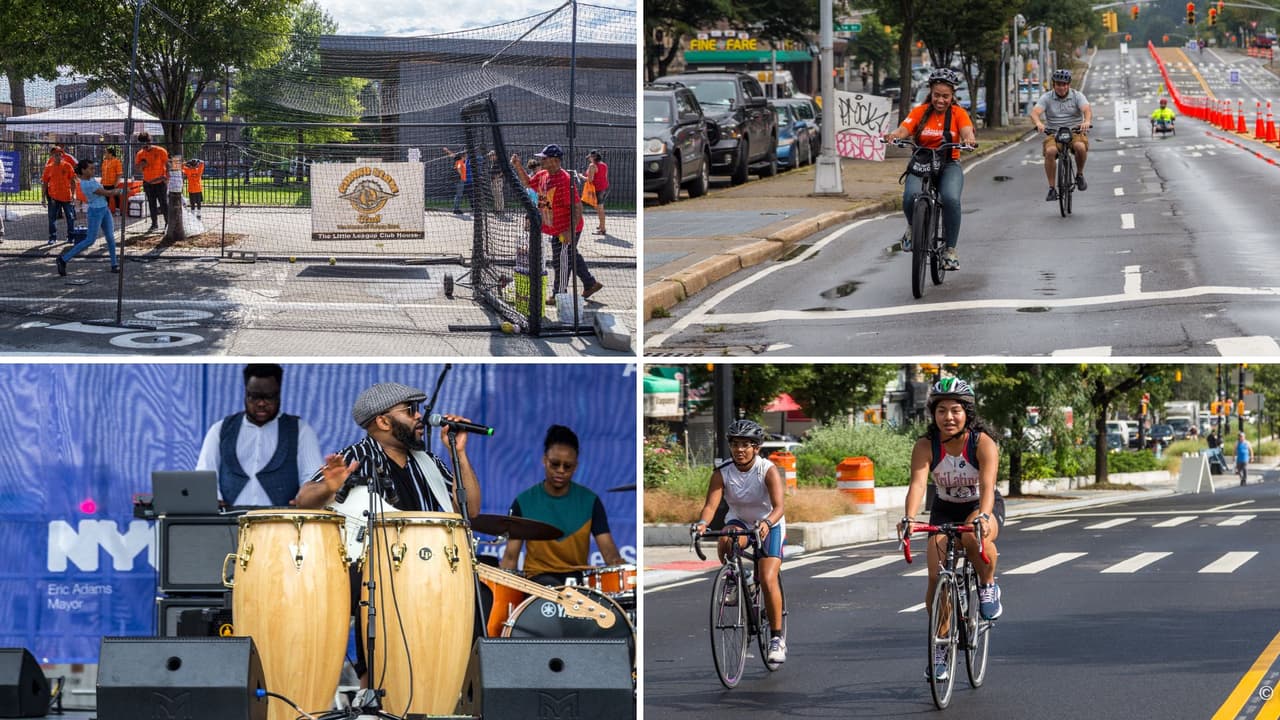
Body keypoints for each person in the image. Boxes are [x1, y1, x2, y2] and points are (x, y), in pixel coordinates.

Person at [295, 381, 482, 683]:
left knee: (476, 594)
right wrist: (329, 487)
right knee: (374, 591)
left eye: (419, 409)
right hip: (380, 579)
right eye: (411, 410)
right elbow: (303, 500)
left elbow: (470, 509)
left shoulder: (429, 462)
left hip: (433, 577)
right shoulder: (357, 456)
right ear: (383, 421)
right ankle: (374, 689)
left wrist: (458, 454)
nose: (419, 416)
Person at [898, 377, 1004, 682]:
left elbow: (987, 485)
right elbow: (918, 485)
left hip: (982, 506)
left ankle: (987, 585)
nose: (948, 417)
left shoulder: (981, 443)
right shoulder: (925, 445)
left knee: (973, 534)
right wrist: (908, 518)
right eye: (941, 410)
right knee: (935, 576)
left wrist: (983, 516)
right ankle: (941, 646)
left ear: (967, 413)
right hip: (944, 508)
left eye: (955, 410)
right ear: (933, 414)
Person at [691, 419, 787, 664]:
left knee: (767, 579)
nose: (740, 450)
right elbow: (711, 506)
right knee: (726, 536)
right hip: (741, 522)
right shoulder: (722, 472)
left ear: (756, 447)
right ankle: (735, 577)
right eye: (735, 444)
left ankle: (777, 639)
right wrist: (702, 523)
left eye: (746, 444)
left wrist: (766, 523)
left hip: (769, 523)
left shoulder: (767, 470)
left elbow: (779, 507)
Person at [500, 424, 625, 585]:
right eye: (555, 464)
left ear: (576, 467)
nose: (560, 470)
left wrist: (620, 567)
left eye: (567, 466)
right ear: (544, 460)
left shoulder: (590, 501)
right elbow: (510, 558)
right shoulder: (523, 501)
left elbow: (609, 554)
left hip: (577, 584)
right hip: (537, 583)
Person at [882, 67, 978, 270]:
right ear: (930, 93)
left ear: (952, 96)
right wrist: (894, 136)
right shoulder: (920, 112)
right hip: (922, 162)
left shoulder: (958, 113)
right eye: (936, 95)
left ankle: (950, 250)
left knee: (951, 199)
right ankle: (911, 227)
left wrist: (969, 140)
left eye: (945, 96)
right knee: (910, 196)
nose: (940, 100)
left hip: (949, 164)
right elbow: (903, 129)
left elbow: (967, 131)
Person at [195, 364, 324, 507]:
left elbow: (314, 480)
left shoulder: (301, 430)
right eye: (254, 397)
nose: (261, 403)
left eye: (269, 397)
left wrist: (304, 499)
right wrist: (214, 502)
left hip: (282, 524)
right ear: (245, 394)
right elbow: (204, 478)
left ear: (279, 394)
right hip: (229, 524)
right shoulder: (220, 429)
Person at [511, 144, 603, 300]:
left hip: (566, 227)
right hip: (555, 227)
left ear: (554, 160)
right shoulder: (543, 175)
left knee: (560, 261)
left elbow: (577, 207)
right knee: (570, 255)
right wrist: (518, 166)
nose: (541, 160)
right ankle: (590, 283)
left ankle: (558, 294)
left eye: (544, 158)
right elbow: (528, 183)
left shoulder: (564, 180)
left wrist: (569, 230)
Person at [1031, 68, 1093, 202]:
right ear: (1054, 85)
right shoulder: (1047, 97)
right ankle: (1052, 188)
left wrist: (1086, 121)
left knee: (1080, 147)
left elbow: (1086, 109)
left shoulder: (1077, 96)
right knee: (1050, 152)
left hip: (1075, 131)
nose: (1062, 87)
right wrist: (1039, 123)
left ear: (1069, 85)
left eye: (1065, 84)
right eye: (1059, 84)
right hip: (1054, 132)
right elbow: (1035, 112)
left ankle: (1080, 175)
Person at [57, 159, 122, 276]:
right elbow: (106, 193)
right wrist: (121, 191)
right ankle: (63, 259)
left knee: (110, 238)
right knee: (90, 240)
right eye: (90, 168)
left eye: (93, 168)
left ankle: (114, 264)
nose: (93, 170)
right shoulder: (86, 184)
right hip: (95, 212)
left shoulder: (91, 179)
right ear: (83, 170)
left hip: (104, 210)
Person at [134, 132, 169, 233]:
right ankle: (154, 224)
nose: (144, 147)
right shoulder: (140, 154)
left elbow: (168, 164)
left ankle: (167, 223)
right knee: (151, 204)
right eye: (142, 144)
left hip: (160, 182)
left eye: (145, 144)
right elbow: (137, 168)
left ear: (150, 141)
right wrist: (141, 164)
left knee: (163, 204)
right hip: (148, 182)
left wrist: (167, 177)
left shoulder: (160, 151)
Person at [42, 146, 78, 245]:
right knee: (52, 218)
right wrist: (43, 198)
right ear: (52, 156)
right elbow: (44, 183)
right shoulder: (48, 168)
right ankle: (52, 238)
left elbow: (73, 181)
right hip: (53, 197)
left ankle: (71, 237)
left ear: (62, 155)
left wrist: (73, 195)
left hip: (67, 197)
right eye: (55, 155)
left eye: (59, 154)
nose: (58, 156)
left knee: (70, 217)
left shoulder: (68, 166)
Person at [584, 150, 609, 235]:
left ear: (593, 157)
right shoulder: (604, 164)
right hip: (604, 188)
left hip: (597, 189)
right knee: (599, 208)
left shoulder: (592, 166)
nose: (589, 159)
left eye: (590, 157)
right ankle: (601, 225)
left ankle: (602, 229)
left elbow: (590, 180)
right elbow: (605, 177)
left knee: (600, 209)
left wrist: (581, 177)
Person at [442, 146, 472, 214]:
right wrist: (462, 176)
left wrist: (447, 150)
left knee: (459, 194)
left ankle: (456, 208)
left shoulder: (459, 159)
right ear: (463, 156)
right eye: (466, 155)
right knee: (459, 194)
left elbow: (452, 155)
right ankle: (456, 209)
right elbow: (458, 168)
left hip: (459, 179)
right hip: (459, 179)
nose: (467, 157)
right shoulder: (460, 161)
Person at [100, 147, 124, 216]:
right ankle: (106, 211)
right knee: (105, 198)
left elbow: (119, 173)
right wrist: (102, 181)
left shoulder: (117, 161)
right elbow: (103, 172)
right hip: (105, 183)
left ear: (110, 154)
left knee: (116, 197)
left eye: (106, 153)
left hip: (113, 183)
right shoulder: (105, 161)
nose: (105, 154)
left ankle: (117, 211)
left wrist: (116, 183)